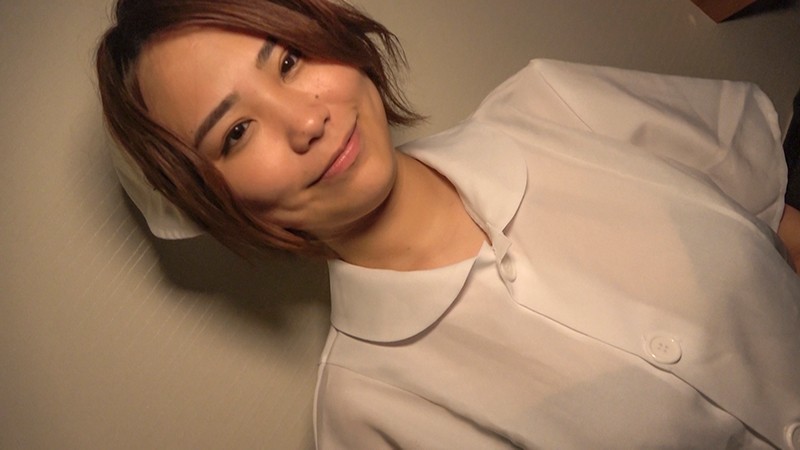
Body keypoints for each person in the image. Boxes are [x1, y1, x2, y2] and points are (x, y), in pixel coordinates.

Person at [96, 0, 800, 448]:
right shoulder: (366, 417)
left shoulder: (555, 104)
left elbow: (779, 219)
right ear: (212, 200)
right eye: (237, 131)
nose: (306, 120)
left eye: (289, 59)